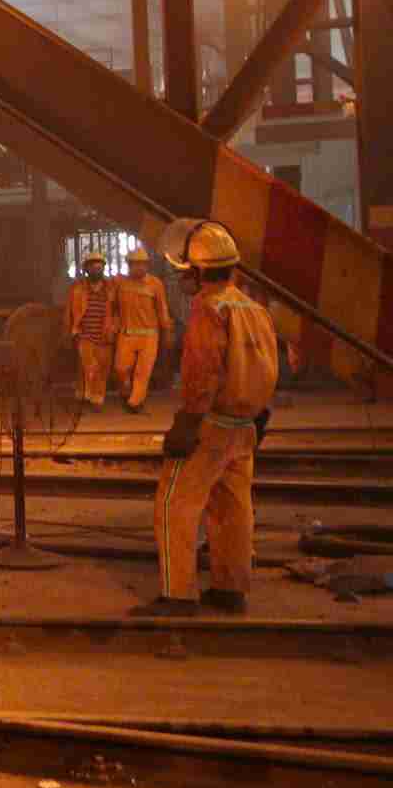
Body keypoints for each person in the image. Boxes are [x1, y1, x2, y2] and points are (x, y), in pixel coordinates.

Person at [133, 220, 279, 616]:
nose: (184, 278)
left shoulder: (208, 308)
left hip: (211, 424)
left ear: (199, 271)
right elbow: (269, 369)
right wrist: (257, 414)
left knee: (174, 505)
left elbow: (203, 372)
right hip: (245, 426)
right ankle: (230, 590)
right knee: (233, 508)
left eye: (187, 271)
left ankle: (178, 595)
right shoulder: (254, 309)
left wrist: (187, 424)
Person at [111, 246, 174, 412]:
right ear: (129, 265)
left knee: (143, 372)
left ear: (147, 265)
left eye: (143, 264)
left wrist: (167, 331)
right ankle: (126, 392)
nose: (139, 267)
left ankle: (135, 402)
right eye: (135, 264)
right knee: (120, 368)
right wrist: (111, 326)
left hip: (149, 336)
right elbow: (113, 307)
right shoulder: (120, 283)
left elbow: (162, 309)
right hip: (126, 334)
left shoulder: (155, 284)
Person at [65, 249, 118, 409]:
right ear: (86, 269)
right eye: (93, 267)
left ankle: (97, 398)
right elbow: (69, 311)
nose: (96, 270)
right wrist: (70, 330)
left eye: (99, 267)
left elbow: (118, 311)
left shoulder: (111, 288)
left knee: (102, 367)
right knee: (86, 366)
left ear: (103, 268)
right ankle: (84, 394)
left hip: (104, 334)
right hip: (84, 334)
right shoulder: (77, 288)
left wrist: (114, 328)